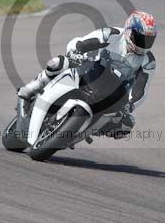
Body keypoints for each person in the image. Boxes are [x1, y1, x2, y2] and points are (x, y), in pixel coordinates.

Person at [17, 10, 157, 138]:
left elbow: (141, 89)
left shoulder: (148, 61)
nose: (144, 43)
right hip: (90, 72)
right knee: (58, 63)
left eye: (148, 40)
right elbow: (84, 41)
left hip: (113, 92)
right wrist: (77, 51)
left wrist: (130, 105)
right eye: (140, 38)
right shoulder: (111, 34)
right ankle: (33, 87)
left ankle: (85, 131)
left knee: (126, 125)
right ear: (129, 31)